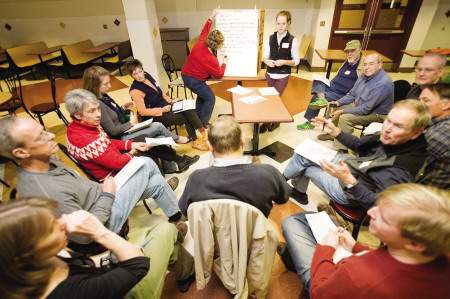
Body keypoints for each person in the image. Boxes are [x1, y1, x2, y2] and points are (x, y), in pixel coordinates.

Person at [0, 198, 195, 299]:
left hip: (109, 277)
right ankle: (183, 257)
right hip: (130, 290)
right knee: (164, 229)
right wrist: (100, 232)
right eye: (50, 227)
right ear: (24, 256)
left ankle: (185, 269)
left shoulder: (36, 263)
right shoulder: (70, 294)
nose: (61, 223)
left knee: (164, 245)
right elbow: (138, 264)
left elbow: (86, 265)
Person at [281, 183, 450, 299]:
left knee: (293, 222)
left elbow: (319, 292)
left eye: (383, 218)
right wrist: (356, 246)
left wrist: (325, 248)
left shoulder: (359, 273)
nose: (371, 213)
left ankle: (290, 257)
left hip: (326, 284)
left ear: (415, 243)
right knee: (311, 220)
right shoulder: (439, 259)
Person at [283, 100, 430, 209]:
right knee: (305, 151)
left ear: (416, 132)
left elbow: (379, 206)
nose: (387, 129)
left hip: (349, 191)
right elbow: (360, 145)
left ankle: (281, 184)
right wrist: (336, 132)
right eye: (388, 121)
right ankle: (293, 189)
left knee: (304, 164)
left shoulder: (398, 170)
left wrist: (349, 181)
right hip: (358, 165)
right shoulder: (395, 139)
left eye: (398, 126)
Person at [83, 65, 199, 173]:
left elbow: (112, 116)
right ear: (95, 85)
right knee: (157, 127)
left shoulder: (104, 96)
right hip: (121, 137)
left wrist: (123, 107)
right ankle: (178, 141)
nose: (109, 86)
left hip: (127, 130)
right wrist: (130, 124)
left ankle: (174, 165)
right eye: (105, 84)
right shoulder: (97, 104)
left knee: (160, 137)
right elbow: (112, 131)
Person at [179, 115, 291, 217]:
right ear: (243, 140)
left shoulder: (196, 179)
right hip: (253, 236)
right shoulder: (268, 173)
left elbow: (185, 210)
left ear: (210, 146)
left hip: (213, 237)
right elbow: (283, 198)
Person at [127, 59, 209, 151]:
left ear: (143, 70)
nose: (139, 75)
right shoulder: (135, 91)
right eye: (135, 74)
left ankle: (202, 134)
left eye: (140, 71)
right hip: (155, 116)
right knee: (186, 116)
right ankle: (197, 140)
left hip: (167, 107)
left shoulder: (147, 76)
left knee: (189, 109)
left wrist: (171, 101)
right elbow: (143, 112)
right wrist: (162, 110)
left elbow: (161, 93)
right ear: (131, 76)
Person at [318, 53, 394, 151]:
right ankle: (334, 133)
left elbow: (366, 109)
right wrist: (338, 102)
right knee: (336, 106)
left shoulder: (383, 83)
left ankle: (342, 149)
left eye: (371, 64)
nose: (367, 67)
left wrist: (343, 111)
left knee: (345, 118)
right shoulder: (363, 76)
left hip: (377, 114)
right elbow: (352, 94)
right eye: (365, 64)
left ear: (380, 65)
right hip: (362, 104)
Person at [297, 40, 361, 130]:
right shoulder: (346, 62)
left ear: (359, 50)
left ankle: (310, 122)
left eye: (352, 51)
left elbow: (360, 87)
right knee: (318, 80)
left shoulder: (361, 66)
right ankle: (322, 99)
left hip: (341, 93)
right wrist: (328, 82)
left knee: (316, 97)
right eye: (348, 51)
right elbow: (338, 75)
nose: (349, 54)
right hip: (332, 87)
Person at [181, 9, 226, 126]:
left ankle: (196, 122)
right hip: (194, 80)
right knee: (210, 98)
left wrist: (211, 16)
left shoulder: (201, 42)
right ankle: (202, 125)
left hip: (186, 75)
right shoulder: (211, 59)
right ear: (218, 45)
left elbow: (205, 30)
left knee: (203, 97)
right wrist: (225, 62)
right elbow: (219, 74)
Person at [262, 10, 300, 132]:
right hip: (270, 74)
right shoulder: (270, 38)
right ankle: (268, 121)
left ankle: (273, 121)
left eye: (283, 23)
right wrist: (266, 61)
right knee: (269, 98)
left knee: (275, 98)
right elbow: (265, 56)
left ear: (288, 23)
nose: (280, 26)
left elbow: (297, 61)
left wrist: (284, 62)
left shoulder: (292, 40)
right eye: (278, 23)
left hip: (283, 75)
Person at [417, 82, 450, 189]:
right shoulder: (437, 121)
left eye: (426, 101)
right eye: (419, 100)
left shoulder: (440, 134)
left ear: (445, 105)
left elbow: (403, 156)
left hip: (423, 194)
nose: (419, 105)